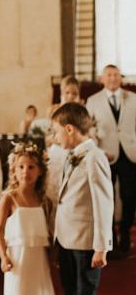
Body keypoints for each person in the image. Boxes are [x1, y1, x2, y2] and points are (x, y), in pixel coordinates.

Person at [51, 102, 113, 295]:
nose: (55, 138)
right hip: (66, 238)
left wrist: (101, 246)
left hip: (86, 242)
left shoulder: (94, 157)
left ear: (69, 128)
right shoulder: (71, 155)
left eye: (56, 132)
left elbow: (103, 203)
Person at [0, 142, 64, 295]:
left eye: (31, 167)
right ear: (13, 170)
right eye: (21, 167)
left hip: (37, 260)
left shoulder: (44, 201)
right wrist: (3, 257)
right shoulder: (9, 198)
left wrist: (52, 259)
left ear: (41, 171)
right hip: (17, 260)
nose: (26, 171)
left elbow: (48, 233)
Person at [86, 64, 136, 255]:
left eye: (116, 75)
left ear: (120, 78)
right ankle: (111, 239)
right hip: (105, 155)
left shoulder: (133, 99)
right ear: (102, 78)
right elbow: (88, 129)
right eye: (109, 75)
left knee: (129, 196)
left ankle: (125, 235)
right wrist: (97, 149)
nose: (113, 78)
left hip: (129, 155)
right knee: (107, 198)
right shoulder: (93, 101)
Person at [46, 75, 82, 204]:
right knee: (55, 189)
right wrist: (55, 138)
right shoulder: (54, 111)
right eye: (67, 93)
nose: (71, 96)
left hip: (75, 152)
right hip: (58, 151)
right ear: (62, 93)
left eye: (74, 93)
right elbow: (47, 135)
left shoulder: (81, 113)